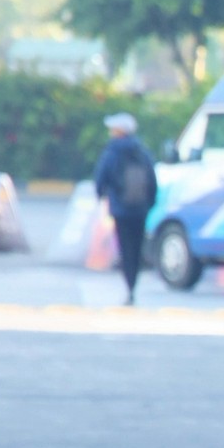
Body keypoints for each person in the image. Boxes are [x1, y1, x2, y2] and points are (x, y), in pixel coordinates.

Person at [92, 112, 159, 304]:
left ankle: (129, 287)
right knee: (137, 248)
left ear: (119, 131)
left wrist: (102, 197)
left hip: (120, 209)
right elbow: (153, 181)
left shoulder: (112, 152)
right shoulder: (142, 151)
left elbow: (101, 179)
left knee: (125, 248)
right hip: (140, 209)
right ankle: (133, 284)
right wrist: (149, 204)